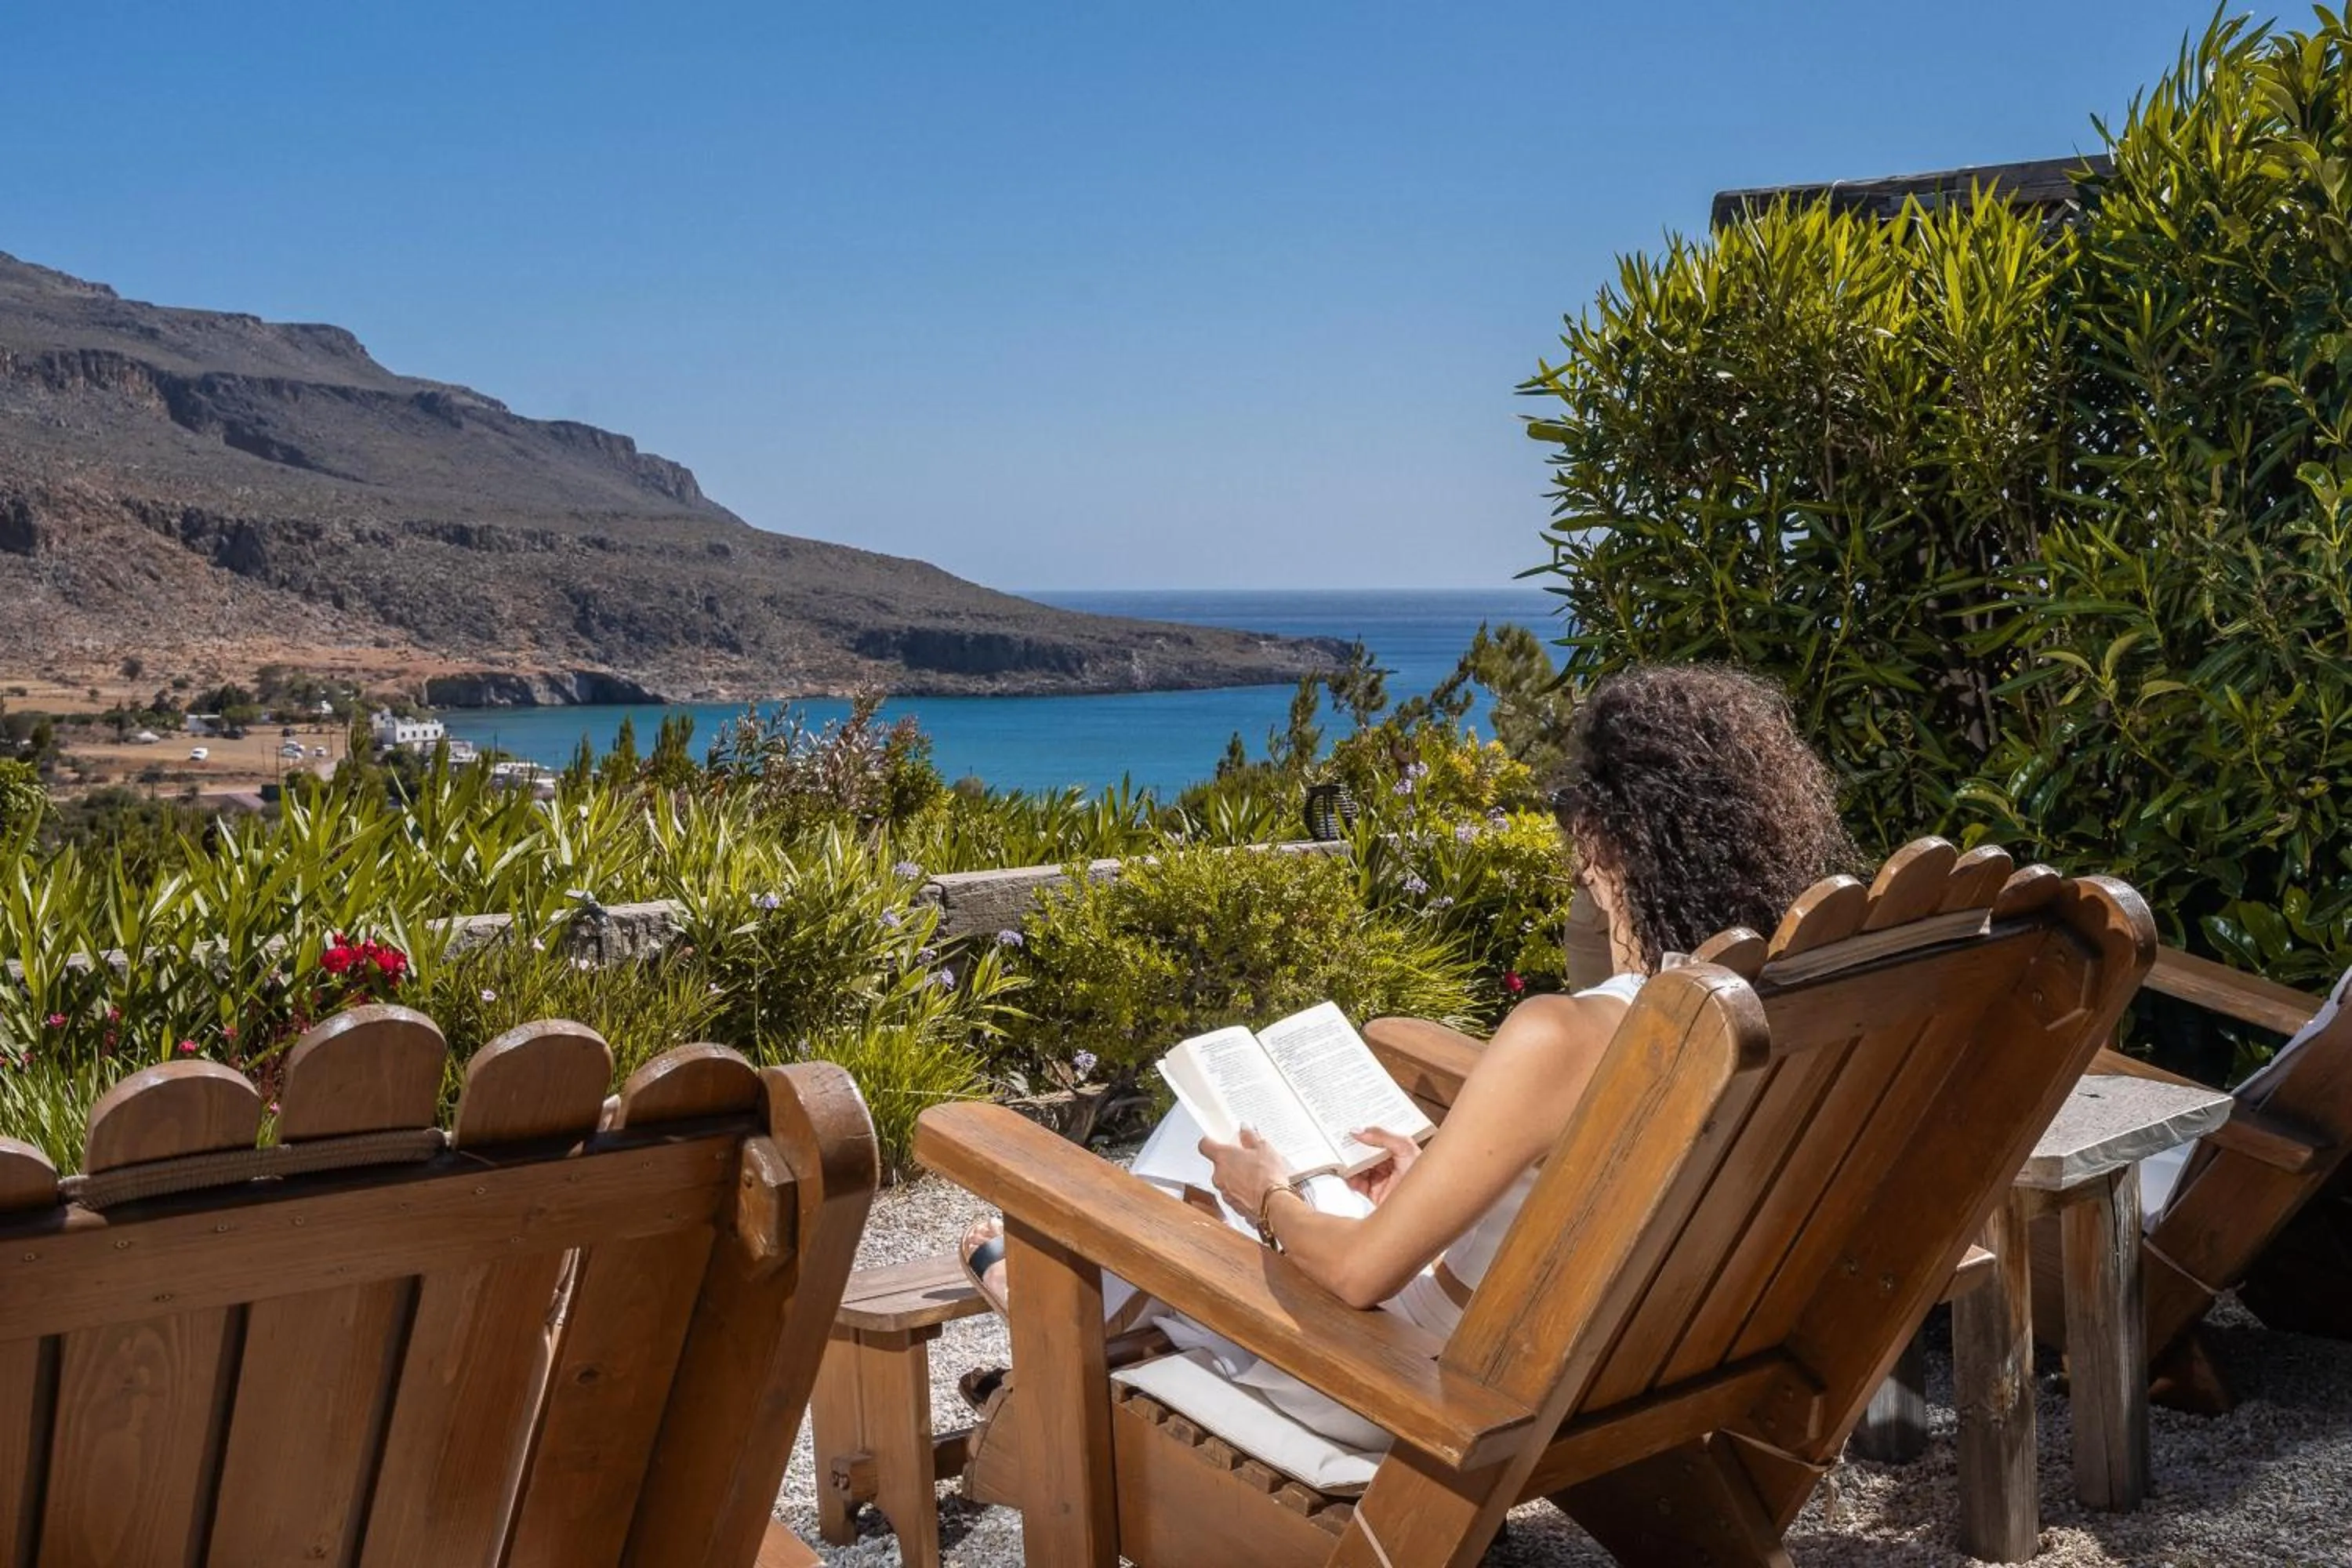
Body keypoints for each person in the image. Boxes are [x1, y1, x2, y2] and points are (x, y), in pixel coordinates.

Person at [956, 662, 1855, 1450]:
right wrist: (1439, 1177)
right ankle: (1063, 1311)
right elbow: (1588, 1192)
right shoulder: (1775, 1010)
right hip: (1617, 1366)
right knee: (1243, 1166)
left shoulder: (1568, 1035)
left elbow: (1358, 1274)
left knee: (1207, 1135)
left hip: (1409, 1384)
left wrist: (1266, 1196)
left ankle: (1045, 1313)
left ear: (1607, 840)